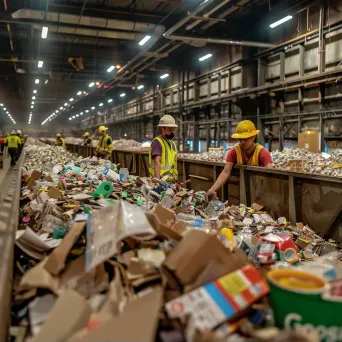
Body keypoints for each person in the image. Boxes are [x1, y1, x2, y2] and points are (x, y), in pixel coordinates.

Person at [207, 120, 272, 198]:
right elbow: (225, 172)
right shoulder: (234, 151)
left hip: (258, 192)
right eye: (240, 139)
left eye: (245, 139)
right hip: (240, 192)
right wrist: (212, 190)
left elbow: (270, 173)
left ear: (253, 137)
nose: (242, 142)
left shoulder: (262, 152)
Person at [149, 114, 178, 182]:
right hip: (161, 180)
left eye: (173, 129)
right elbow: (157, 161)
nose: (172, 131)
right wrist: (158, 180)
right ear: (163, 128)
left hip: (171, 180)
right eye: (170, 129)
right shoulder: (157, 142)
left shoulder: (172, 144)